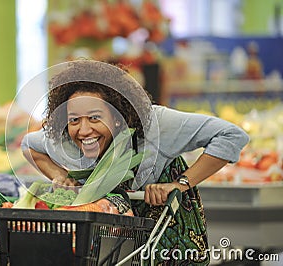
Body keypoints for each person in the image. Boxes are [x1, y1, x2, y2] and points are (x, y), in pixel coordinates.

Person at [20, 59, 249, 265]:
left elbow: (231, 136)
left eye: (95, 117)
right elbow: (29, 145)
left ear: (118, 116)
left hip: (168, 236)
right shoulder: (67, 139)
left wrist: (180, 184)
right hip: (115, 244)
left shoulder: (156, 124)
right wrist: (59, 175)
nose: (84, 129)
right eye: (74, 120)